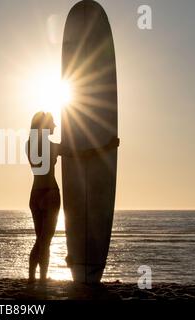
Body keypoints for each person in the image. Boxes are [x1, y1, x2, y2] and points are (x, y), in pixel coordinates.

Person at [26, 112, 119, 284]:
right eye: (52, 123)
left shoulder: (29, 145)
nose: (55, 126)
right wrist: (108, 146)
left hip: (35, 194)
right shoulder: (52, 146)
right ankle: (42, 278)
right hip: (50, 193)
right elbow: (82, 154)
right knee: (45, 241)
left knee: (39, 238)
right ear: (45, 126)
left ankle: (31, 278)